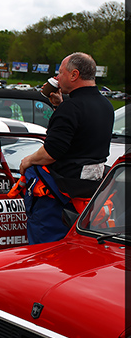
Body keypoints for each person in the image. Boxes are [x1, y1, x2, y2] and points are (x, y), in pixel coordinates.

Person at [17, 52, 114, 244]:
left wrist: (27, 160)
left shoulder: (72, 108)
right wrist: (59, 107)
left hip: (58, 195)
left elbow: (52, 152)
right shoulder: (106, 105)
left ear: (74, 75)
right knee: (82, 247)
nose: (57, 78)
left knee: (46, 253)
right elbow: (83, 134)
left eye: (60, 73)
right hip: (92, 191)